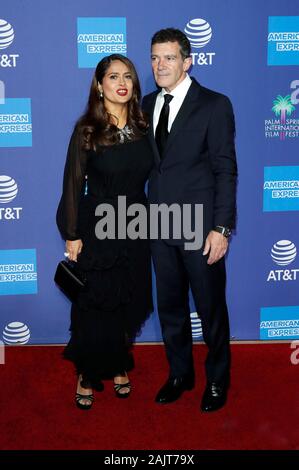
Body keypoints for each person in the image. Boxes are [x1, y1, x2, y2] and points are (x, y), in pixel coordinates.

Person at [142, 28, 237, 412]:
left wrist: (222, 228)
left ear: (187, 60)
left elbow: (225, 169)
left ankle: (217, 380)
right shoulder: (146, 104)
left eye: (168, 57)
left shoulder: (215, 104)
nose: (160, 65)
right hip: (158, 226)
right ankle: (180, 374)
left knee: (211, 309)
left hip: (201, 230)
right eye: (154, 58)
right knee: (171, 308)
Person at [56, 54, 153, 410]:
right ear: (100, 85)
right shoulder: (87, 130)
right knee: (96, 303)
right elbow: (72, 183)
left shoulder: (144, 126)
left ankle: (118, 364)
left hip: (138, 224)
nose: (121, 82)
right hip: (98, 225)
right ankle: (86, 372)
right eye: (113, 77)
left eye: (127, 76)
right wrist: (71, 233)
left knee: (126, 298)